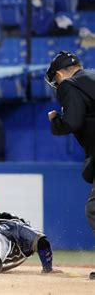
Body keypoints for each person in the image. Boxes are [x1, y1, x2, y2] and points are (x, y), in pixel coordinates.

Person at [46, 51, 95, 280]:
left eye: (55, 80)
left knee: (94, 209)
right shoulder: (92, 78)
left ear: (58, 74)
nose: (57, 85)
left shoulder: (69, 85)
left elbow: (72, 121)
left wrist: (56, 120)